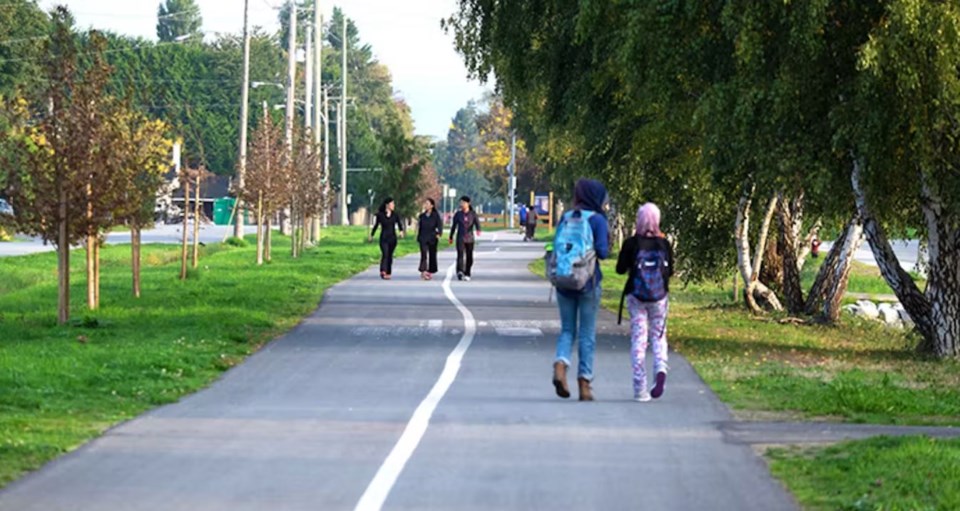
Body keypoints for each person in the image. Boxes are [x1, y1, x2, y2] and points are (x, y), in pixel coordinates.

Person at [552, 179, 609, 401]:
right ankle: (584, 384)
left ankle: (560, 363)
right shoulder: (597, 220)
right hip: (589, 282)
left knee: (567, 330)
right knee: (587, 334)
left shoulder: (566, 218)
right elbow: (603, 252)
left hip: (564, 281)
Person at [616, 203, 674, 402]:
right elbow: (670, 272)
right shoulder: (664, 244)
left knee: (639, 341)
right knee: (659, 336)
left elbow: (619, 269)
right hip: (659, 297)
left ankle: (640, 388)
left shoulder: (632, 244)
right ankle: (660, 368)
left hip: (637, 297)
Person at [369, 197, 404, 280]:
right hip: (384, 238)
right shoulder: (380, 215)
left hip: (392, 238)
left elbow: (399, 224)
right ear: (387, 205)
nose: (393, 205)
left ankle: (388, 272)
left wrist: (401, 231)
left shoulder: (395, 215)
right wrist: (372, 235)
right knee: (385, 254)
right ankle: (383, 270)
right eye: (392, 204)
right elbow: (376, 225)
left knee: (390, 255)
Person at [448, 195, 481, 281]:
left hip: (469, 238)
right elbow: (454, 226)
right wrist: (451, 236)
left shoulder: (473, 214)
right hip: (460, 237)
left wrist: (478, 230)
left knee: (469, 257)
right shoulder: (458, 214)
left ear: (468, 204)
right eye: (461, 202)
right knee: (460, 255)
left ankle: (467, 272)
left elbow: (477, 223)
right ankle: (460, 271)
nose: (461, 204)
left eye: (463, 203)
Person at [417, 198, 443, 280]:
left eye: (428, 204)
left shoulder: (435, 215)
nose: (426, 205)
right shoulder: (422, 216)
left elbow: (439, 225)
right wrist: (418, 236)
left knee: (432, 254)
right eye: (425, 204)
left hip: (432, 237)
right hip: (423, 237)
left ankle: (431, 270)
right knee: (423, 254)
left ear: (432, 205)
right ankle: (423, 270)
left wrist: (439, 233)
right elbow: (419, 227)